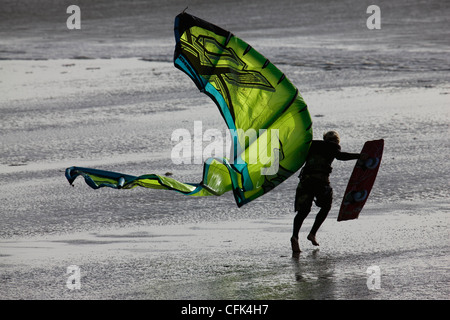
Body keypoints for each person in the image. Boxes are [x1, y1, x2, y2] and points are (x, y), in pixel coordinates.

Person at [291, 131, 365, 253]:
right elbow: (341, 156)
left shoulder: (311, 145)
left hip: (305, 182)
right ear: (336, 141)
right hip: (320, 182)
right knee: (326, 207)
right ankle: (312, 234)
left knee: (303, 211)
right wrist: (360, 156)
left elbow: (297, 155)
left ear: (325, 138)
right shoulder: (333, 146)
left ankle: (295, 237)